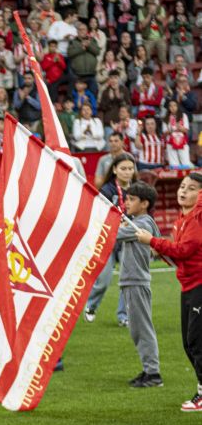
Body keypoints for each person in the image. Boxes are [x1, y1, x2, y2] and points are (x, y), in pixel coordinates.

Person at [135, 173, 202, 412]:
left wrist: (153, 242)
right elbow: (179, 255)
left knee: (196, 342)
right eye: (182, 186)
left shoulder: (197, 218)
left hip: (199, 285)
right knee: (189, 343)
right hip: (189, 286)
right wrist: (161, 250)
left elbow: (185, 249)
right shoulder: (182, 218)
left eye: (191, 188)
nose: (183, 191)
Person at [116, 181, 162, 388]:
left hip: (136, 281)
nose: (127, 202)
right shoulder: (139, 222)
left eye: (132, 199)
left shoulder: (141, 224)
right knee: (137, 329)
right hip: (132, 281)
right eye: (126, 198)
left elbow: (114, 234)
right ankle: (148, 369)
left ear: (144, 204)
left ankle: (153, 374)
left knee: (142, 329)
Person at [85, 154, 136, 325]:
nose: (127, 172)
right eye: (123, 168)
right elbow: (99, 214)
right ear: (114, 170)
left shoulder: (138, 189)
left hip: (129, 240)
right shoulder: (107, 190)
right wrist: (116, 224)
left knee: (128, 280)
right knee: (103, 280)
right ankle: (91, 305)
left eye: (130, 168)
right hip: (108, 239)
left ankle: (124, 316)